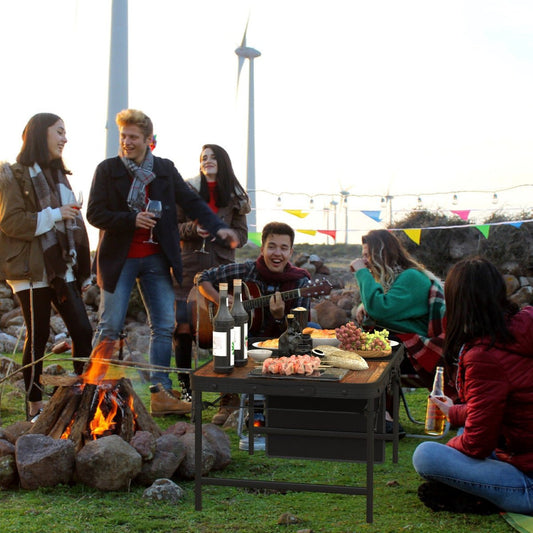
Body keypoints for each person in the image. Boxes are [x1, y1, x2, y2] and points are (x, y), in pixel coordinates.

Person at [87, 109, 238, 417]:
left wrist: (218, 226)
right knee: (110, 325)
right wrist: (132, 219)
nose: (126, 142)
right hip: (120, 260)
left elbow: (192, 201)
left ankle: (160, 392)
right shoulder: (107, 169)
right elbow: (95, 214)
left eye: (133, 137)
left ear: (148, 140)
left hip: (157, 259)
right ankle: (91, 388)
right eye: (123, 137)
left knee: (165, 326)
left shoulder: (165, 170)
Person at [412, 257, 533, 515]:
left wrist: (451, 455)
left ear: (458, 301)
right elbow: (498, 406)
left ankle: (479, 494)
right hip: (518, 449)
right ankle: (473, 491)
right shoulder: (525, 324)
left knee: (427, 455)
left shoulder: (484, 354)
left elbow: (477, 444)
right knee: (465, 429)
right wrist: (453, 412)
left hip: (528, 480)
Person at [0, 113, 93, 421]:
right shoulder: (12, 175)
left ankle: (83, 395)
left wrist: (84, 268)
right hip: (29, 270)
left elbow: (76, 223)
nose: (65, 138)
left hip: (60, 267)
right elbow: (10, 222)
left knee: (82, 328)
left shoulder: (58, 176)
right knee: (37, 336)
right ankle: (34, 409)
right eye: (60, 132)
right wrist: (56, 214)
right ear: (41, 134)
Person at [196, 221, 312, 425]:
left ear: (291, 252)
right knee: (228, 338)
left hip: (278, 340)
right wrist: (219, 300)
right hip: (244, 338)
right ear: (262, 249)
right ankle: (229, 399)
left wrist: (278, 317)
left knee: (311, 336)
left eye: (284, 248)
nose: (277, 253)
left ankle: (288, 400)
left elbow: (298, 332)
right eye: (272, 246)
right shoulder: (246, 271)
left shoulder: (301, 282)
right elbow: (203, 278)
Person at [174, 144, 250, 401]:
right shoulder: (186, 192)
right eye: (203, 157)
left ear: (223, 162)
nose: (207, 161)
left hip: (221, 270)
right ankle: (186, 390)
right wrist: (193, 230)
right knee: (182, 328)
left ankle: (226, 391)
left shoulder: (237, 196)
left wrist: (223, 233)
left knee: (223, 326)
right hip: (186, 270)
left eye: (213, 157)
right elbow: (173, 227)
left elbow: (242, 236)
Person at [350, 229, 453, 396]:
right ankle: (377, 414)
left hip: (417, 351)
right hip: (401, 348)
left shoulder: (411, 277)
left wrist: (361, 272)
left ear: (382, 254)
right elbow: (386, 305)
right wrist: (364, 304)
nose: (364, 261)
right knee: (357, 349)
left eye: (367, 255)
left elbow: (380, 309)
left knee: (368, 353)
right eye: (363, 256)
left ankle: (382, 416)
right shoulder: (397, 279)